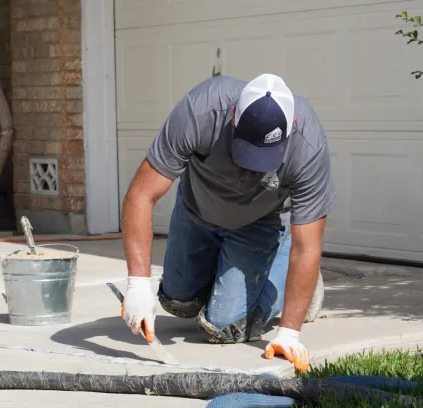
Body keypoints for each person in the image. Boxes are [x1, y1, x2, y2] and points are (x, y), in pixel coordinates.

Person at [119, 73, 335, 372]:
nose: (251, 166)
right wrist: (138, 285)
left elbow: (307, 247)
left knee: (222, 327)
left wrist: (289, 333)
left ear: (292, 123)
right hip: (197, 211)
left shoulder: (307, 145)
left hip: (260, 224)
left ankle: (291, 285)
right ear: (233, 116)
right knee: (177, 303)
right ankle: (225, 279)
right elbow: (140, 196)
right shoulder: (202, 110)